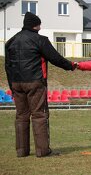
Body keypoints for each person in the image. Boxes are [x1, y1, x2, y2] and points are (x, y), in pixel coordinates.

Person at [5, 12, 77, 157]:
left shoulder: (11, 41)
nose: (40, 27)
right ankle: (43, 151)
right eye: (39, 24)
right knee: (39, 115)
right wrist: (71, 66)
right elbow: (55, 58)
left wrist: (12, 86)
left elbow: (7, 66)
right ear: (35, 25)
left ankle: (22, 151)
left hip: (16, 83)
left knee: (21, 116)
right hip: (35, 82)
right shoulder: (40, 39)